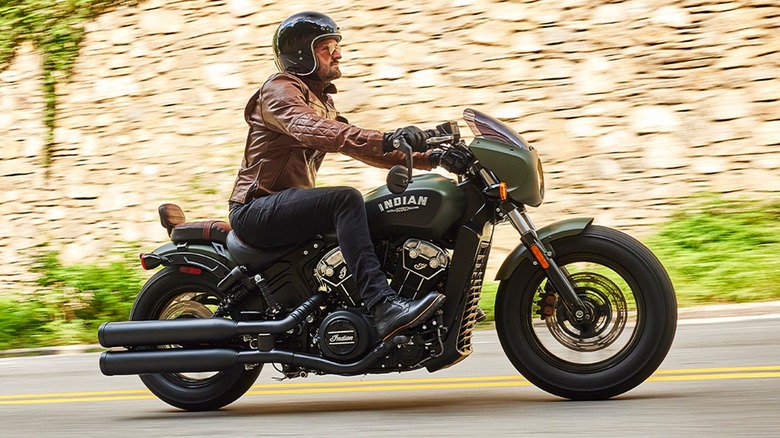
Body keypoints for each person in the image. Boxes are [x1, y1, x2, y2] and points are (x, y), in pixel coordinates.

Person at [228, 11, 446, 341]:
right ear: (301, 54)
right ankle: (383, 305)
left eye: (336, 46)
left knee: (376, 209)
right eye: (326, 47)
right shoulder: (280, 90)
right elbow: (311, 129)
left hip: (287, 207)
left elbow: (364, 147)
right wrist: (386, 136)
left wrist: (434, 157)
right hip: (257, 208)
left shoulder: (322, 102)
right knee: (345, 199)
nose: (338, 53)